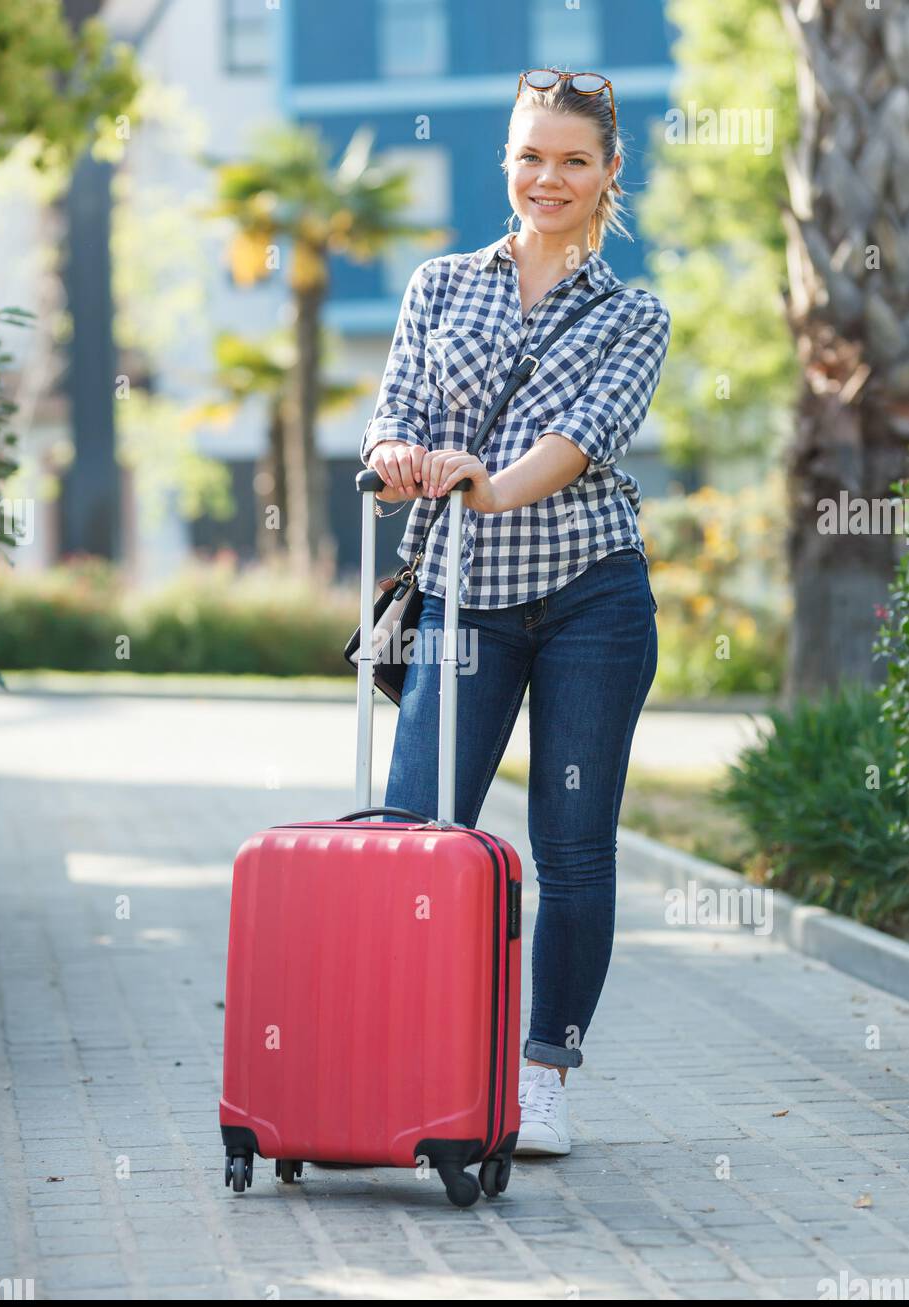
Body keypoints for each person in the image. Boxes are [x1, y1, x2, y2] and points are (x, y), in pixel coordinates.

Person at [359, 69, 671, 1157]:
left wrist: (489, 484)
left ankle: (544, 1074)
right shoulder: (439, 285)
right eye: (532, 155)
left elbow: (581, 440)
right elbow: (393, 404)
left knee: (572, 847)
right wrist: (395, 453)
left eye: (574, 160)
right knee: (413, 833)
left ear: (608, 174)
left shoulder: (635, 314)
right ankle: (413, 1058)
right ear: (508, 161)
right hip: (461, 597)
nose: (550, 177)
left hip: (592, 596)